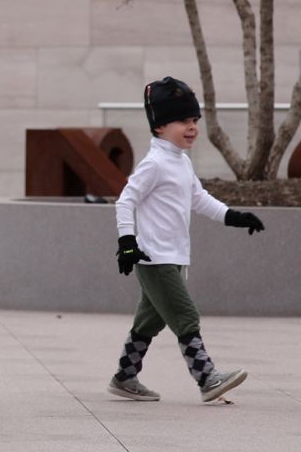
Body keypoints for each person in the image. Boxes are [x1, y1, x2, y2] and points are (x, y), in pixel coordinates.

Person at [110, 76, 264, 403]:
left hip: (173, 256)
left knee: (148, 321)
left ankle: (124, 376)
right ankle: (207, 378)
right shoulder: (153, 164)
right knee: (186, 315)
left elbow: (200, 199)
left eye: (195, 120)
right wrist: (127, 242)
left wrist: (234, 216)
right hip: (154, 257)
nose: (192, 127)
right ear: (159, 127)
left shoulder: (180, 161)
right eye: (182, 120)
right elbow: (125, 200)